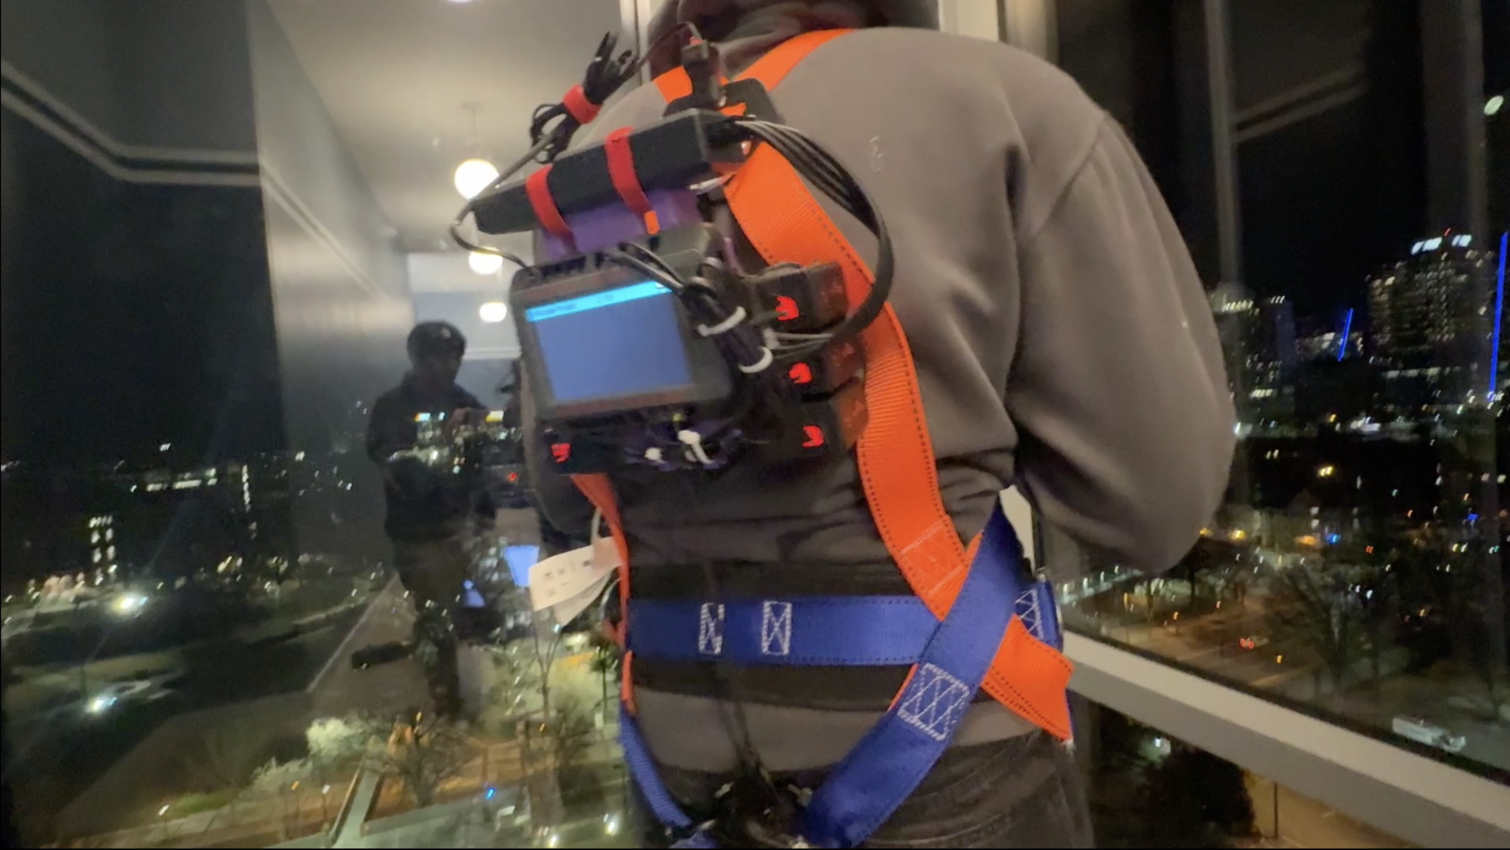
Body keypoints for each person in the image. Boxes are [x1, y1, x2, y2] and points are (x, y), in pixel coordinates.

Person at [523, 2, 1236, 847]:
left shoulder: (585, 166)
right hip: (945, 764)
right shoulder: (999, 102)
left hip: (673, 773)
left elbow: (562, 491)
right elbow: (1153, 511)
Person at [367, 321, 488, 717]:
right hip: (420, 534)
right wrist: (443, 447)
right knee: (436, 620)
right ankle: (447, 700)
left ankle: (473, 694)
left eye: (454, 357)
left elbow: (483, 463)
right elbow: (397, 468)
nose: (449, 365)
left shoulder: (464, 402)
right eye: (439, 357)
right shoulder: (391, 408)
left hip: (464, 528)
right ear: (418, 359)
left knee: (474, 617)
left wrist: (483, 515)